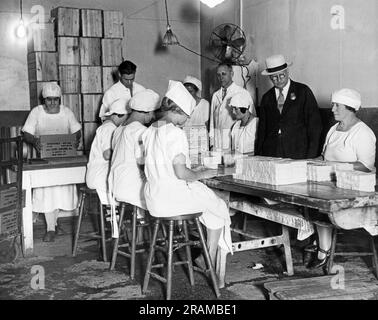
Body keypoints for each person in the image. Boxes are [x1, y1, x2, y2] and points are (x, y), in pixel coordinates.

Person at [142, 80, 232, 287]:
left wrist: (193, 173)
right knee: (219, 208)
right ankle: (211, 263)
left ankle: (206, 258)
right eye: (186, 116)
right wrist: (205, 172)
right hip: (174, 200)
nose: (186, 121)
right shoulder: (175, 133)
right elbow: (181, 173)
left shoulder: (150, 131)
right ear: (178, 110)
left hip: (154, 199)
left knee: (211, 205)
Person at [308, 88, 376, 269]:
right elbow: (323, 156)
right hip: (328, 183)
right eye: (333, 105)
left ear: (350, 107)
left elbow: (367, 166)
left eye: (337, 105)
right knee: (311, 201)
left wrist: (337, 167)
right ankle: (322, 243)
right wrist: (306, 163)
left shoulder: (363, 133)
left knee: (323, 207)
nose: (332, 109)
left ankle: (323, 248)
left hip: (352, 189)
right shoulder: (333, 129)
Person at [22, 82, 81, 242]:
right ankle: (50, 228)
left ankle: (54, 224)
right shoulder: (37, 112)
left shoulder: (66, 112)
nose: (53, 103)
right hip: (44, 158)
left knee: (61, 191)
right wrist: (34, 141)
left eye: (56, 99)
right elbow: (27, 132)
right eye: (49, 99)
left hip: (63, 157)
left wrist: (75, 140)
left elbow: (76, 131)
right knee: (47, 193)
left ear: (60, 99)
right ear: (44, 99)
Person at [256, 54, 322, 159]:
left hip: (298, 152)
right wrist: (258, 157)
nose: (278, 80)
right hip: (272, 152)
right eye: (274, 77)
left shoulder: (303, 91)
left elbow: (315, 127)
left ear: (287, 72)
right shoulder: (266, 98)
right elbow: (262, 131)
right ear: (269, 77)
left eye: (281, 75)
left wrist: (312, 156)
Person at [109, 89, 160, 211]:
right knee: (166, 193)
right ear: (147, 112)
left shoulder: (119, 129)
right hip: (132, 188)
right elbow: (143, 164)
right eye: (153, 113)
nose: (153, 117)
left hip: (116, 185)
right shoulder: (139, 131)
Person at [85, 98, 129, 205]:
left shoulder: (108, 127)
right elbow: (107, 154)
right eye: (127, 118)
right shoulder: (109, 128)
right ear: (118, 115)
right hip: (100, 176)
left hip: (99, 175)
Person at [209, 62, 255, 151]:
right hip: (217, 143)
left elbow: (250, 119)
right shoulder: (215, 95)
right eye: (218, 75)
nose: (221, 77)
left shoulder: (242, 93)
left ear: (232, 74)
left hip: (233, 142)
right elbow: (212, 122)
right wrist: (211, 144)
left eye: (224, 74)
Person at [230, 90, 259, 155]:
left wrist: (242, 155)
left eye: (235, 109)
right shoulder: (235, 126)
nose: (233, 112)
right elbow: (233, 150)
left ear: (245, 108)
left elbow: (260, 151)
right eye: (232, 109)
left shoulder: (256, 124)